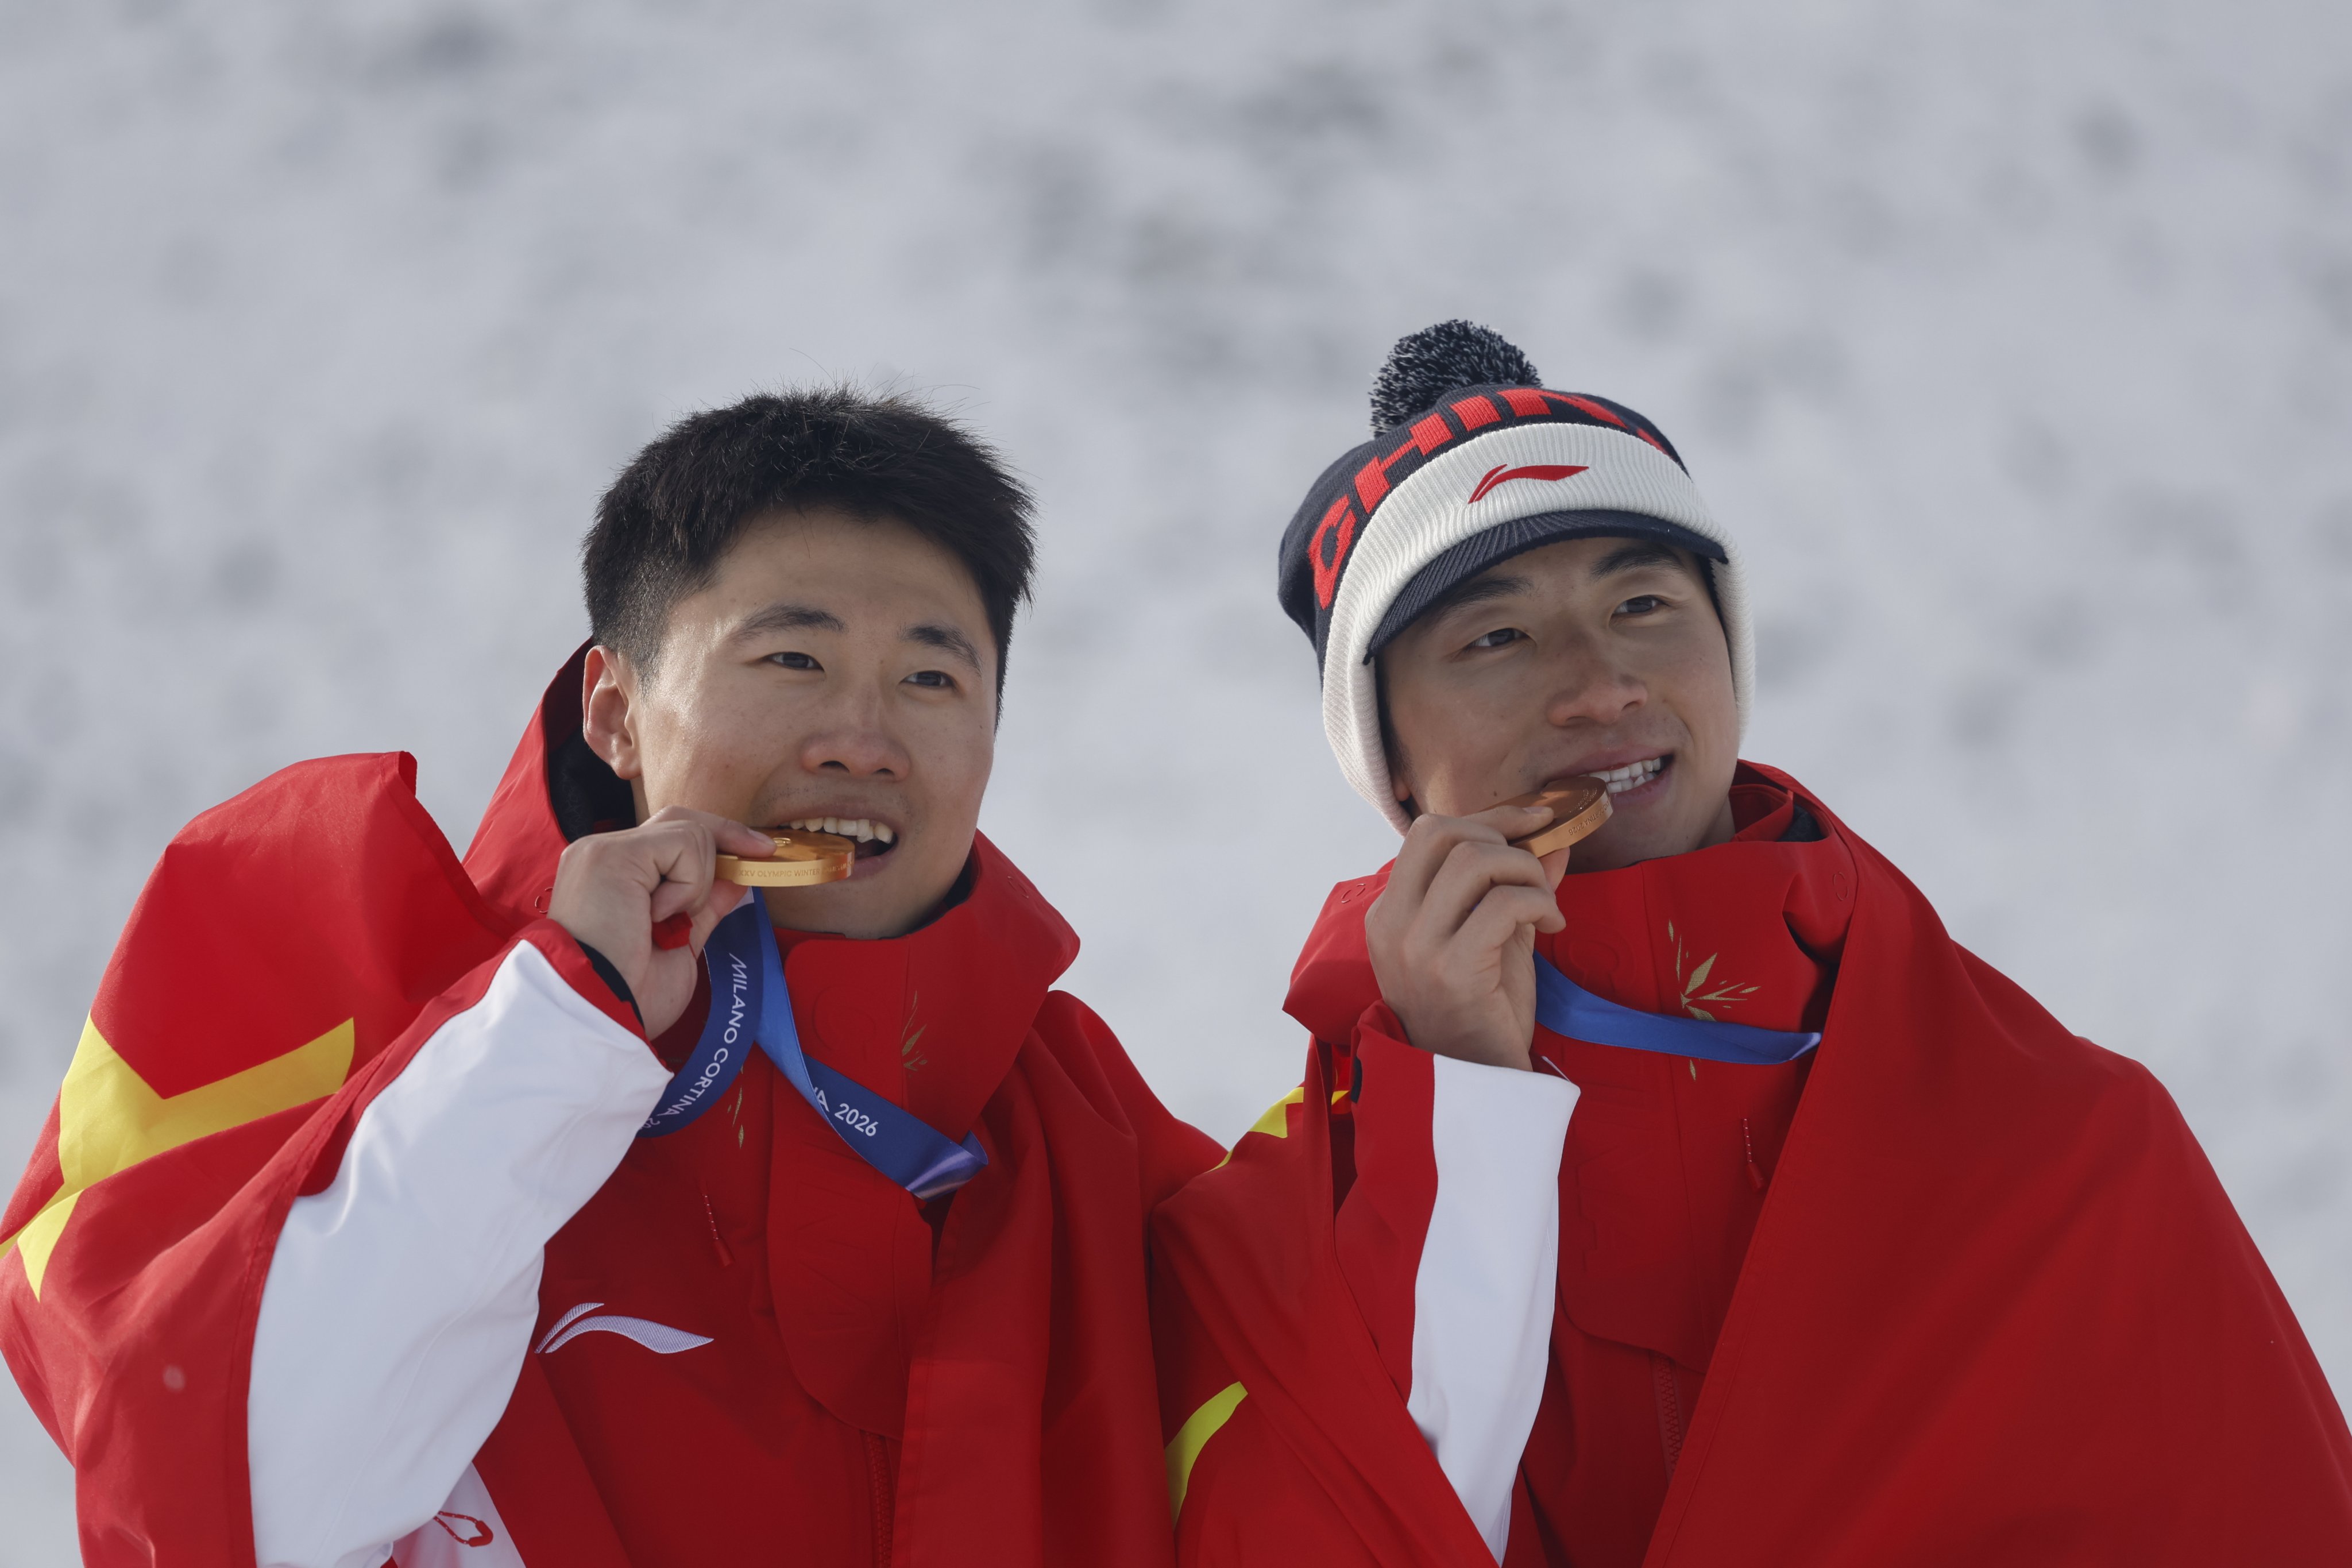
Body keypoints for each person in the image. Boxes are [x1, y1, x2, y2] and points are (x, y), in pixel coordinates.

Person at [1150, 322, 2352, 1565]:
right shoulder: (1264, 1240)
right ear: (1388, 763)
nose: (1600, 683)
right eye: (1494, 637)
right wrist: (1460, 1098)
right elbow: (1376, 1524)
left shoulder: (2073, 1146)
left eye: (1643, 603)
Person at [0, 387, 1219, 1568]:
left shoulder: (1088, 1140)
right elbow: (227, 1502)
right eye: (793, 659)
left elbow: (1358, 1451)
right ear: (614, 710)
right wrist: (558, 1026)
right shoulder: (327, 972)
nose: (862, 736)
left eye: (930, 679)